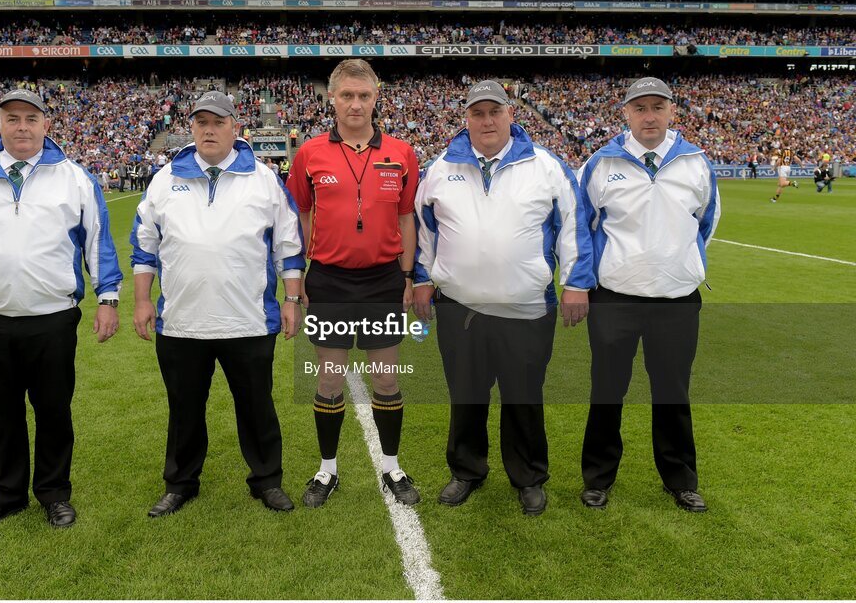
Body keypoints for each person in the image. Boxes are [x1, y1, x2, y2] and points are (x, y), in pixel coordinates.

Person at [0, 89, 123, 531]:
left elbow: (98, 242)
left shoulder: (73, 177)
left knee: (54, 410)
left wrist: (108, 299)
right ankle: (7, 494)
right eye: (12, 119)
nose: (22, 127)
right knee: (0, 412)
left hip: (52, 317)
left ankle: (53, 493)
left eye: (31, 118)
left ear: (46, 124)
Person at [413, 80, 595, 515]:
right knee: (466, 394)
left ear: (511, 114)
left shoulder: (545, 166)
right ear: (467, 119)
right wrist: (422, 278)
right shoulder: (440, 168)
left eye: (495, 111)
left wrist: (576, 283)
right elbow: (423, 231)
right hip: (461, 306)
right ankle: (466, 471)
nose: (487, 120)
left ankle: (528, 476)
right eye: (478, 113)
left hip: (527, 307)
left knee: (523, 395)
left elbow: (574, 226)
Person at [130, 91, 305, 517]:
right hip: (182, 322)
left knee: (257, 406)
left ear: (234, 127)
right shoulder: (165, 178)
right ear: (191, 128)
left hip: (248, 319)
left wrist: (292, 298)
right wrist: (140, 300)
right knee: (184, 410)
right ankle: (180, 483)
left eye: (218, 122)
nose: (210, 130)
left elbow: (288, 244)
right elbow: (144, 245)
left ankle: (267, 481)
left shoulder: (263, 178)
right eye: (201, 122)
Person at [577, 77, 720, 513]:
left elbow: (707, 220)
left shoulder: (695, 161)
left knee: (673, 392)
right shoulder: (601, 163)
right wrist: (586, 282)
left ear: (672, 110)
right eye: (640, 108)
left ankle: (680, 479)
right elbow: (581, 227)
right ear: (626, 113)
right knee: (607, 391)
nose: (650, 116)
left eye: (658, 106)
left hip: (676, 299)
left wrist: (679, 263)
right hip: (615, 297)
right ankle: (598, 478)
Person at [285, 59, 420, 508]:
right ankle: (327, 471)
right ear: (332, 98)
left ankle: (391, 466)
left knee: (386, 379)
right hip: (329, 280)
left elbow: (406, 216)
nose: (356, 104)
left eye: (364, 95)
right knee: (329, 380)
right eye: (347, 95)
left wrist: (406, 275)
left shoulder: (402, 152)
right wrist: (302, 271)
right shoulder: (309, 154)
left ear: (376, 96)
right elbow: (301, 213)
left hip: (383, 280)